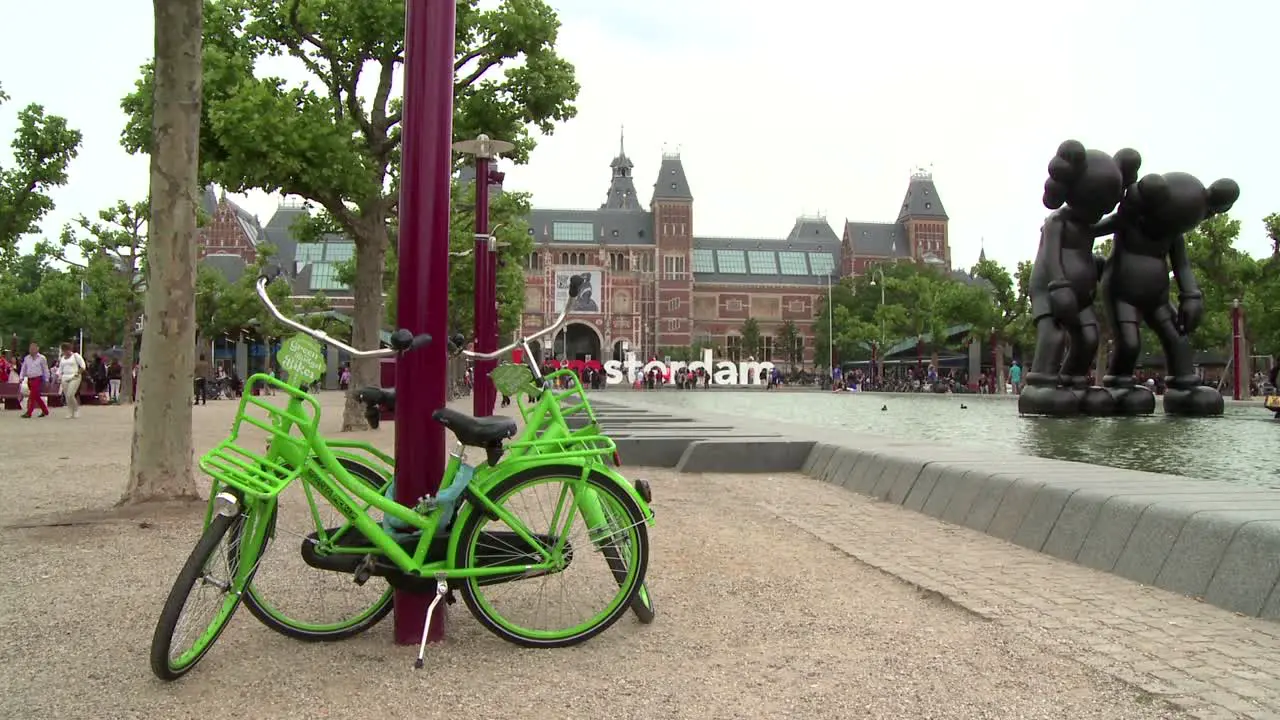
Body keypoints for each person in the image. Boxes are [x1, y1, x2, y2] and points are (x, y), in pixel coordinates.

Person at [18, 343, 50, 418]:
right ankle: (45, 411)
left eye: (33, 348)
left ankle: (29, 412)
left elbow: (45, 369)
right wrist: (21, 377)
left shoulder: (42, 358)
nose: (31, 350)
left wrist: (47, 379)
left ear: (37, 349)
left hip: (38, 379)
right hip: (29, 379)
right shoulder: (27, 358)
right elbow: (23, 368)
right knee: (36, 396)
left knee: (32, 395)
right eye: (30, 348)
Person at [57, 342, 87, 419]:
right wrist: (59, 377)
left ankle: (76, 409)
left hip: (74, 376)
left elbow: (83, 366)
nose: (65, 352)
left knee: (71, 394)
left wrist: (78, 373)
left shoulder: (76, 356)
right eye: (63, 350)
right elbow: (60, 369)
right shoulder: (62, 358)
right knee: (67, 396)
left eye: (66, 350)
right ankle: (70, 411)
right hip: (65, 377)